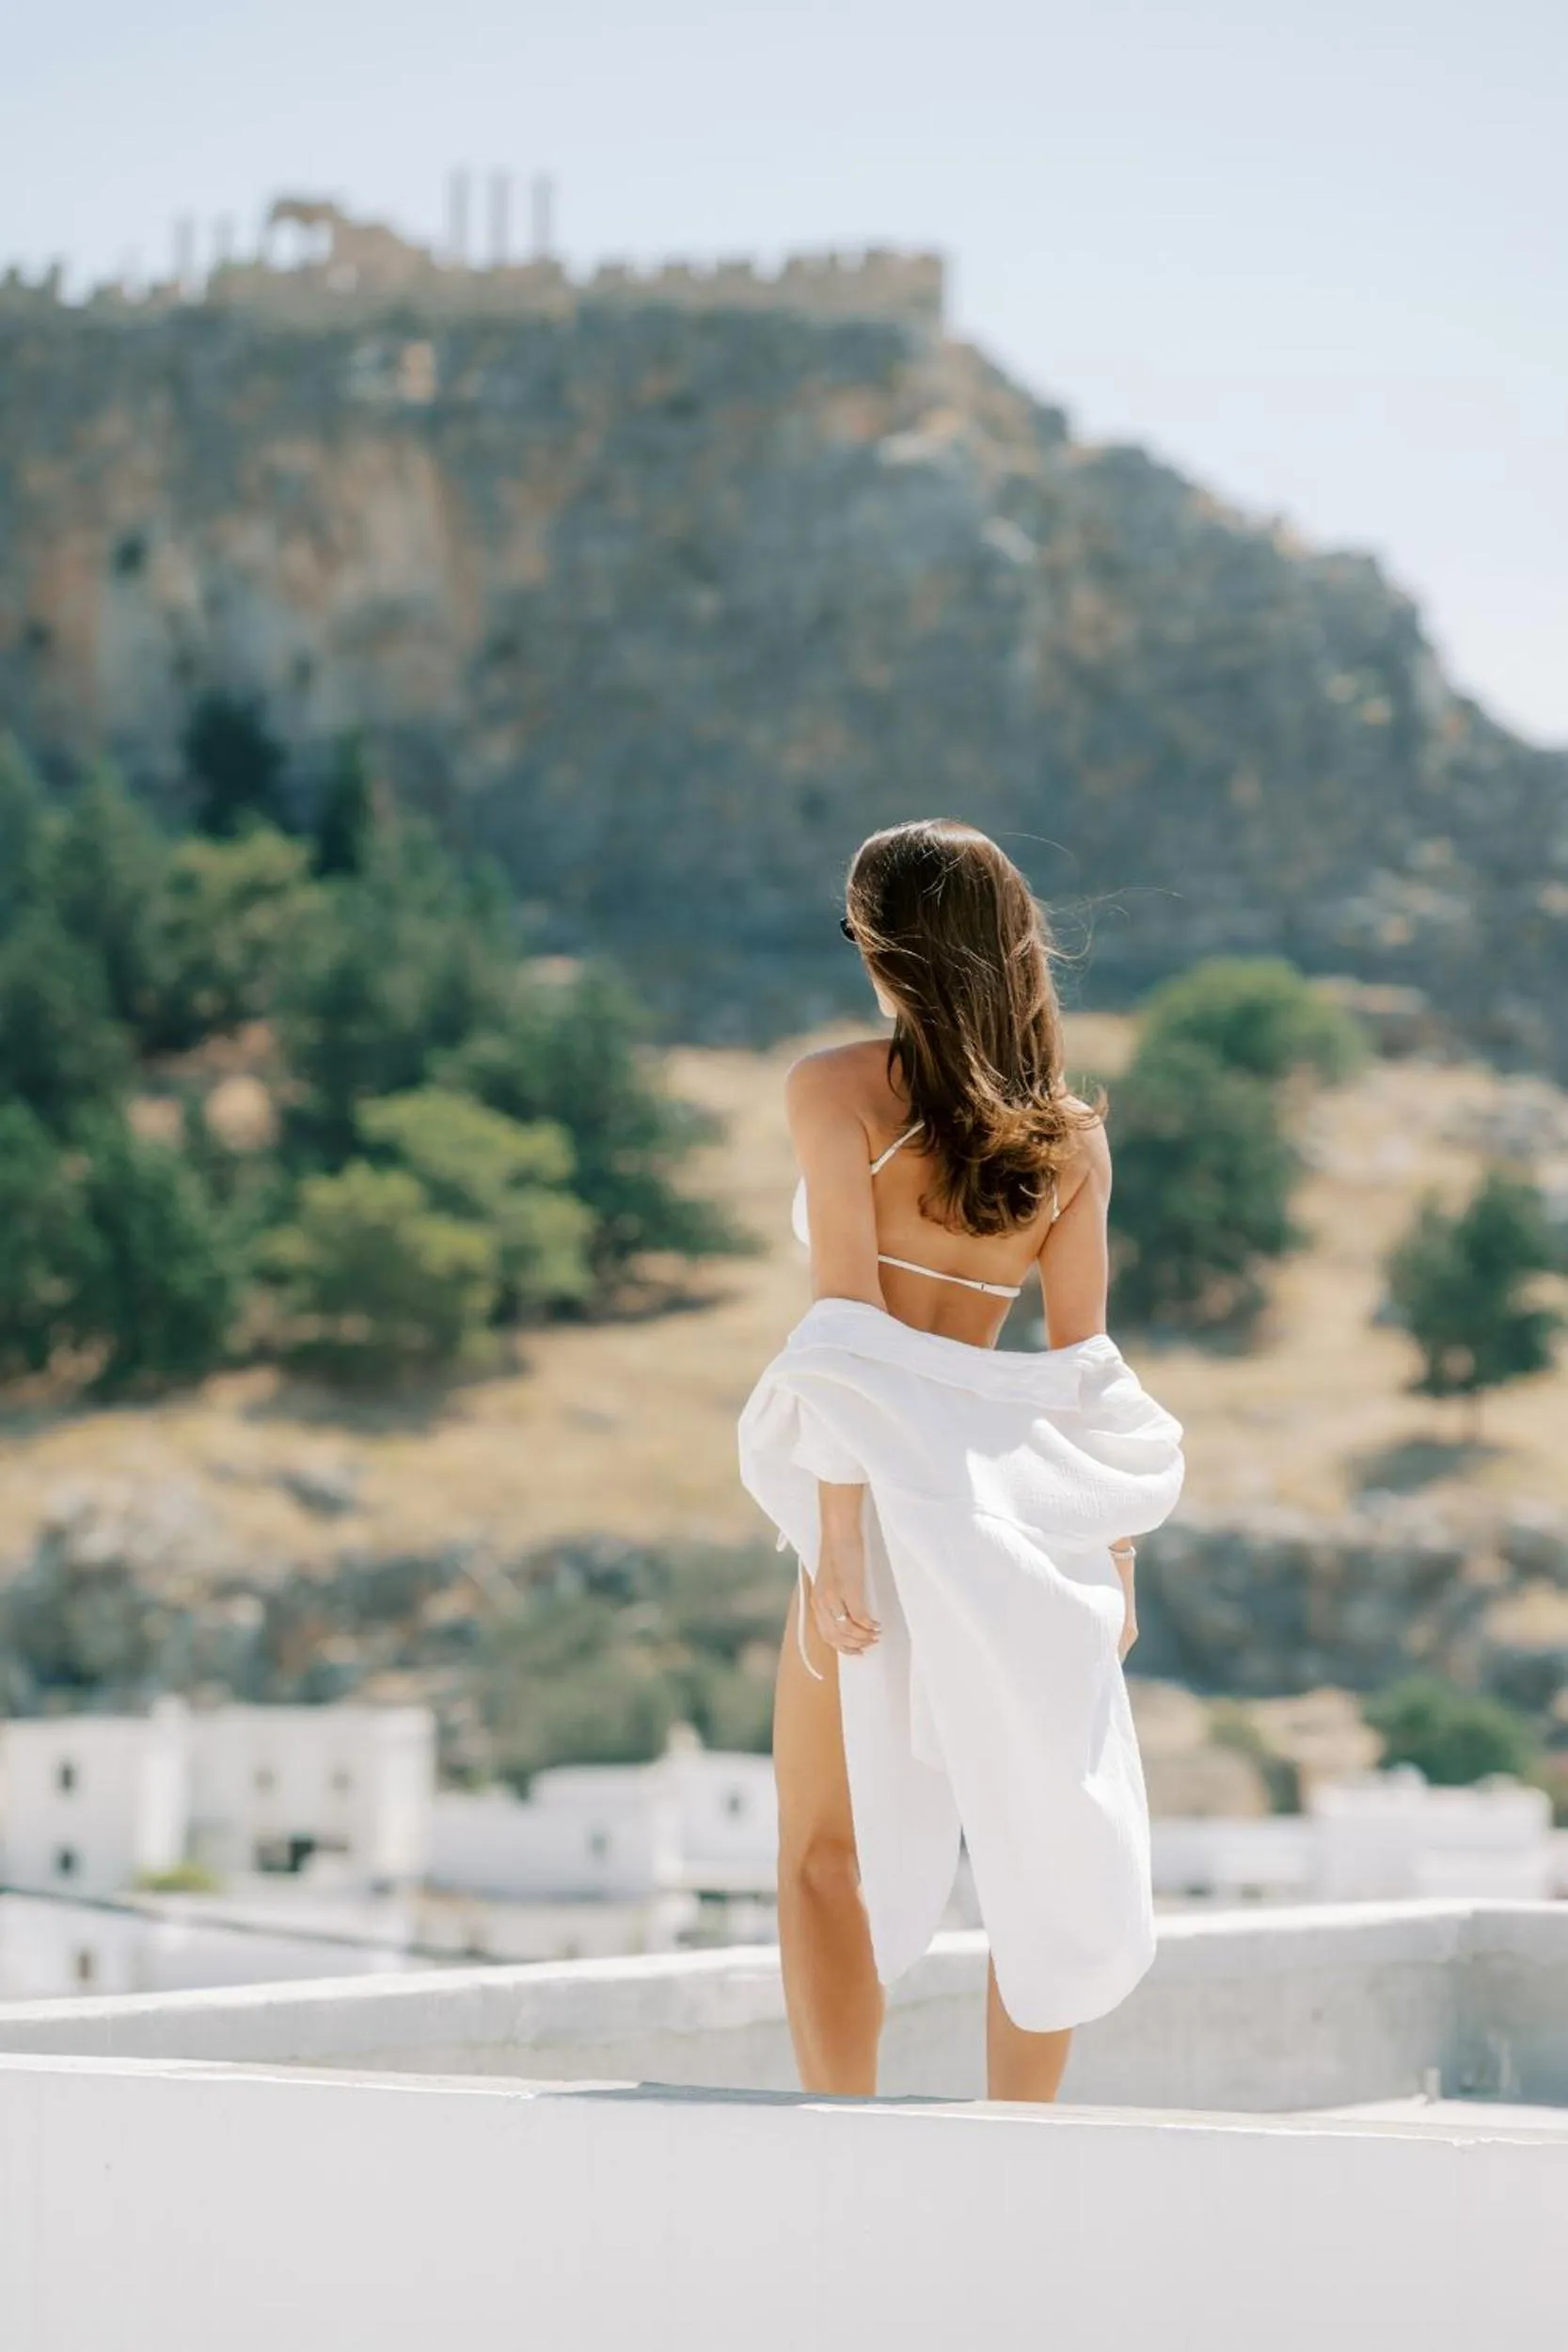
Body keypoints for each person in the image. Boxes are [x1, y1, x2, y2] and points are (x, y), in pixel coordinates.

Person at [737, 818, 1184, 2103]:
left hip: (879, 1503)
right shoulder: (1071, 1136)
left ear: (886, 948)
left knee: (825, 1849)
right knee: (1034, 1833)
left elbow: (845, 1340)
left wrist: (833, 1547)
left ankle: (844, 2139)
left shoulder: (832, 1091)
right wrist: (1112, 1558)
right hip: (1022, 1519)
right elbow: (1085, 1375)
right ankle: (1016, 2146)